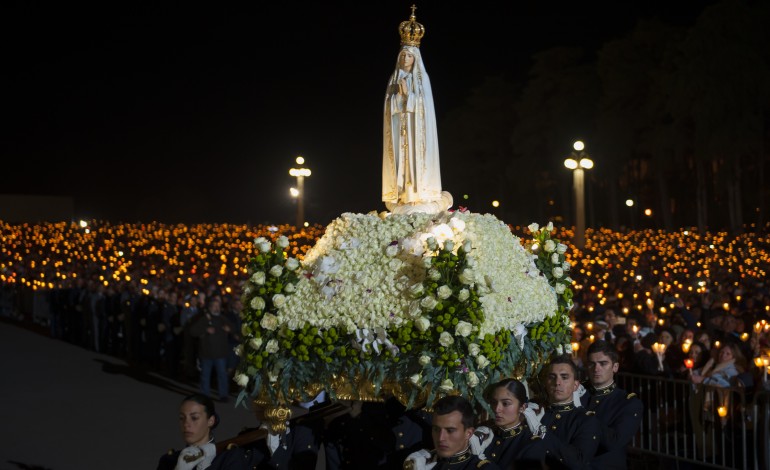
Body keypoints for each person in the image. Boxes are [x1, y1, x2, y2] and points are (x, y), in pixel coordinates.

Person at [382, 7, 450, 214]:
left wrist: (407, 97)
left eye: (409, 56)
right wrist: (396, 98)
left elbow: (424, 108)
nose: (405, 60)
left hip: (416, 130)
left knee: (414, 159)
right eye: (402, 56)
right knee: (401, 159)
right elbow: (388, 108)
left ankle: (419, 193)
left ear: (415, 59)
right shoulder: (394, 79)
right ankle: (403, 194)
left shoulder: (422, 79)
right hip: (399, 128)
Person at [581, 340, 643, 469]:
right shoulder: (577, 393)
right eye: (592, 364)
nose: (596, 369)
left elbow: (614, 442)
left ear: (615, 367)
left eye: (603, 363)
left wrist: (579, 411)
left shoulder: (627, 402)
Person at [403, 395, 499, 469]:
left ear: (468, 433)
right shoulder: (421, 466)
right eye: (436, 429)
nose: (441, 438)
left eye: (450, 430)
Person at [539, 354, 600, 469]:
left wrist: (541, 432)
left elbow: (578, 462)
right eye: (552, 377)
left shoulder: (586, 421)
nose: (557, 382)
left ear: (576, 385)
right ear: (546, 383)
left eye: (564, 377)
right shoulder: (537, 413)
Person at [157, 393, 247, 470]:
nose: (186, 424)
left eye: (194, 418)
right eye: (182, 418)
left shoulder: (230, 458)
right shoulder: (168, 461)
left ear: (210, 421)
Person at [471, 378, 544, 469]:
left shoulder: (531, 445)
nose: (497, 409)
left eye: (505, 403)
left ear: (522, 407)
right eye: (494, 402)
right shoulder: (485, 435)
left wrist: (481, 461)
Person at [189, 296, 236, 402]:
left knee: (222, 375)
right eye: (214, 306)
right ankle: (205, 396)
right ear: (210, 308)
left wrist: (230, 329)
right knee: (205, 376)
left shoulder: (223, 318)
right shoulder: (204, 318)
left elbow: (233, 328)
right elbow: (193, 331)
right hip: (207, 353)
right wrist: (205, 329)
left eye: (218, 306)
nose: (216, 308)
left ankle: (223, 395)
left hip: (220, 354)